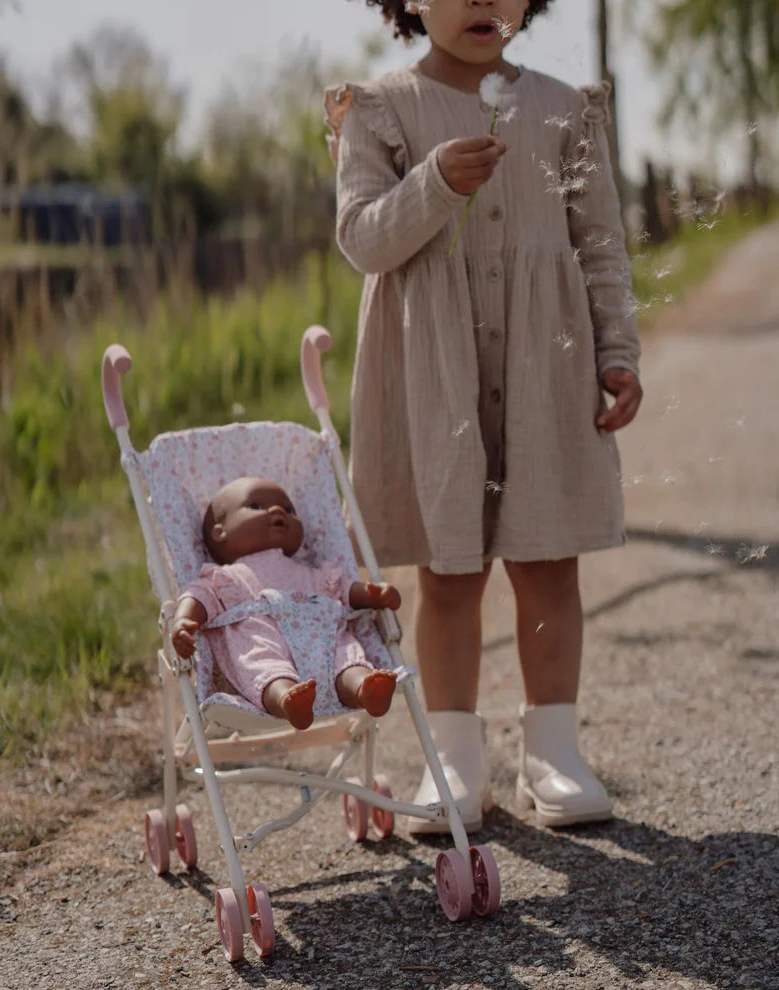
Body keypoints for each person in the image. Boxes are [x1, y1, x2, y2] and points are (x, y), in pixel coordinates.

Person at [324, 0, 643, 831]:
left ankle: (553, 754)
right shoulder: (382, 110)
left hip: (546, 367)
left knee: (548, 563)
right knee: (449, 571)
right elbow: (362, 239)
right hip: (437, 375)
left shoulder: (564, 110)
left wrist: (617, 352)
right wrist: (432, 183)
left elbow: (600, 245)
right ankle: (455, 762)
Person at [171, 477, 402, 731]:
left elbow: (342, 589)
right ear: (220, 532)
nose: (278, 510)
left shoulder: (309, 572)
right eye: (256, 506)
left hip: (323, 639)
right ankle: (287, 699)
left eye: (289, 509)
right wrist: (183, 620)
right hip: (264, 642)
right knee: (263, 665)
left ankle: (364, 688)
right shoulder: (225, 577)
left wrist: (372, 594)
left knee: (346, 656)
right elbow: (198, 595)